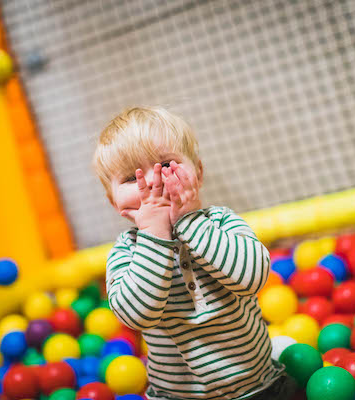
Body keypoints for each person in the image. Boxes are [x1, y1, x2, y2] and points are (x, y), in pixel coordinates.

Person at [92, 106, 298, 399]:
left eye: (166, 164)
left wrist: (189, 221)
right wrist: (153, 234)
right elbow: (137, 315)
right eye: (130, 178)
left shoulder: (222, 222)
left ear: (198, 173)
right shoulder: (125, 253)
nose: (152, 182)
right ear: (114, 201)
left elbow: (252, 278)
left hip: (260, 387)